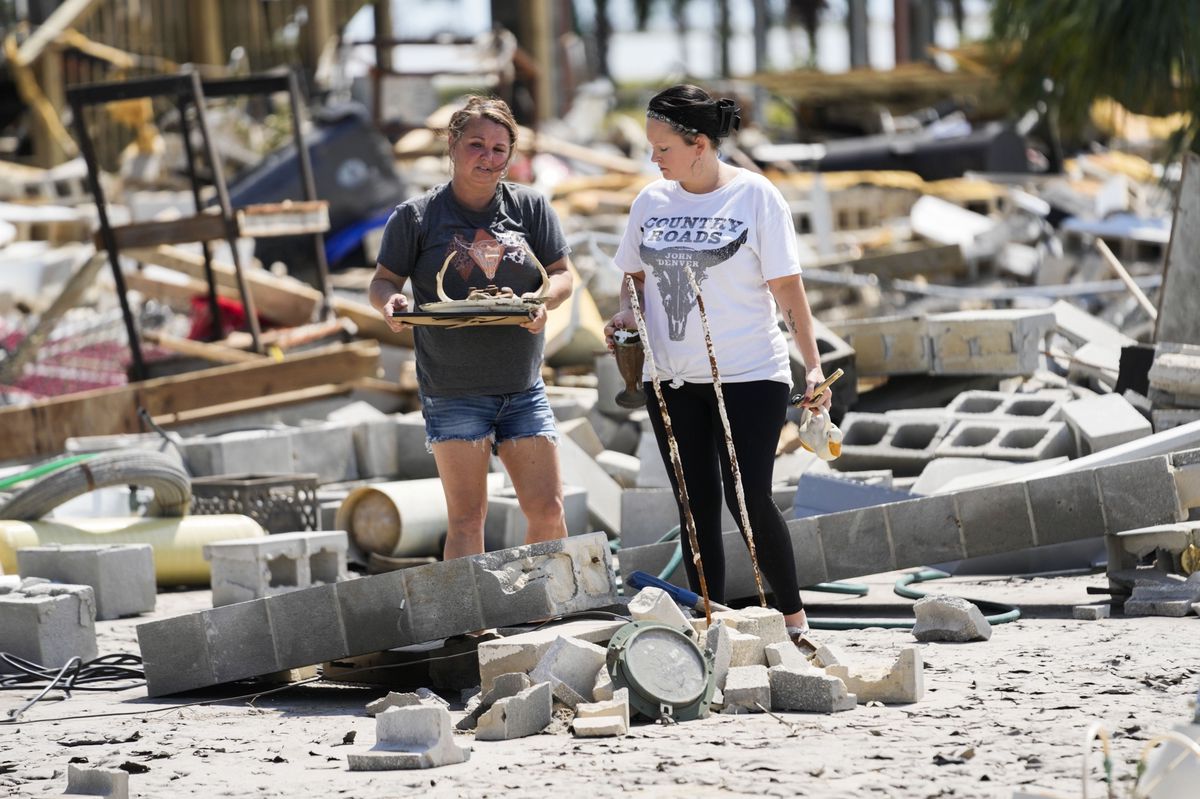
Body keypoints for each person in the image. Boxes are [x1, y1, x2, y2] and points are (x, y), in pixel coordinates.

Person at [604, 84, 832, 641]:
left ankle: (794, 620)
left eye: (663, 148)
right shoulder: (650, 203)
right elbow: (632, 280)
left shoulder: (756, 197)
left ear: (700, 143)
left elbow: (788, 290)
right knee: (694, 500)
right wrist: (624, 319)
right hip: (669, 377)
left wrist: (815, 368)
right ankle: (712, 623)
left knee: (747, 497)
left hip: (750, 374)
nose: (652, 158)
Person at [370, 95, 574, 561]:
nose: (488, 157)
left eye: (499, 148)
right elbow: (382, 283)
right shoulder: (416, 217)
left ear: (511, 154)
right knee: (467, 519)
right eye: (476, 144)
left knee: (547, 510)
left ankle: (538, 611)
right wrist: (392, 303)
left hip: (523, 388)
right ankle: (468, 626)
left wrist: (542, 300)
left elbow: (562, 274)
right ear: (453, 145)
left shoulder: (532, 208)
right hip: (453, 390)